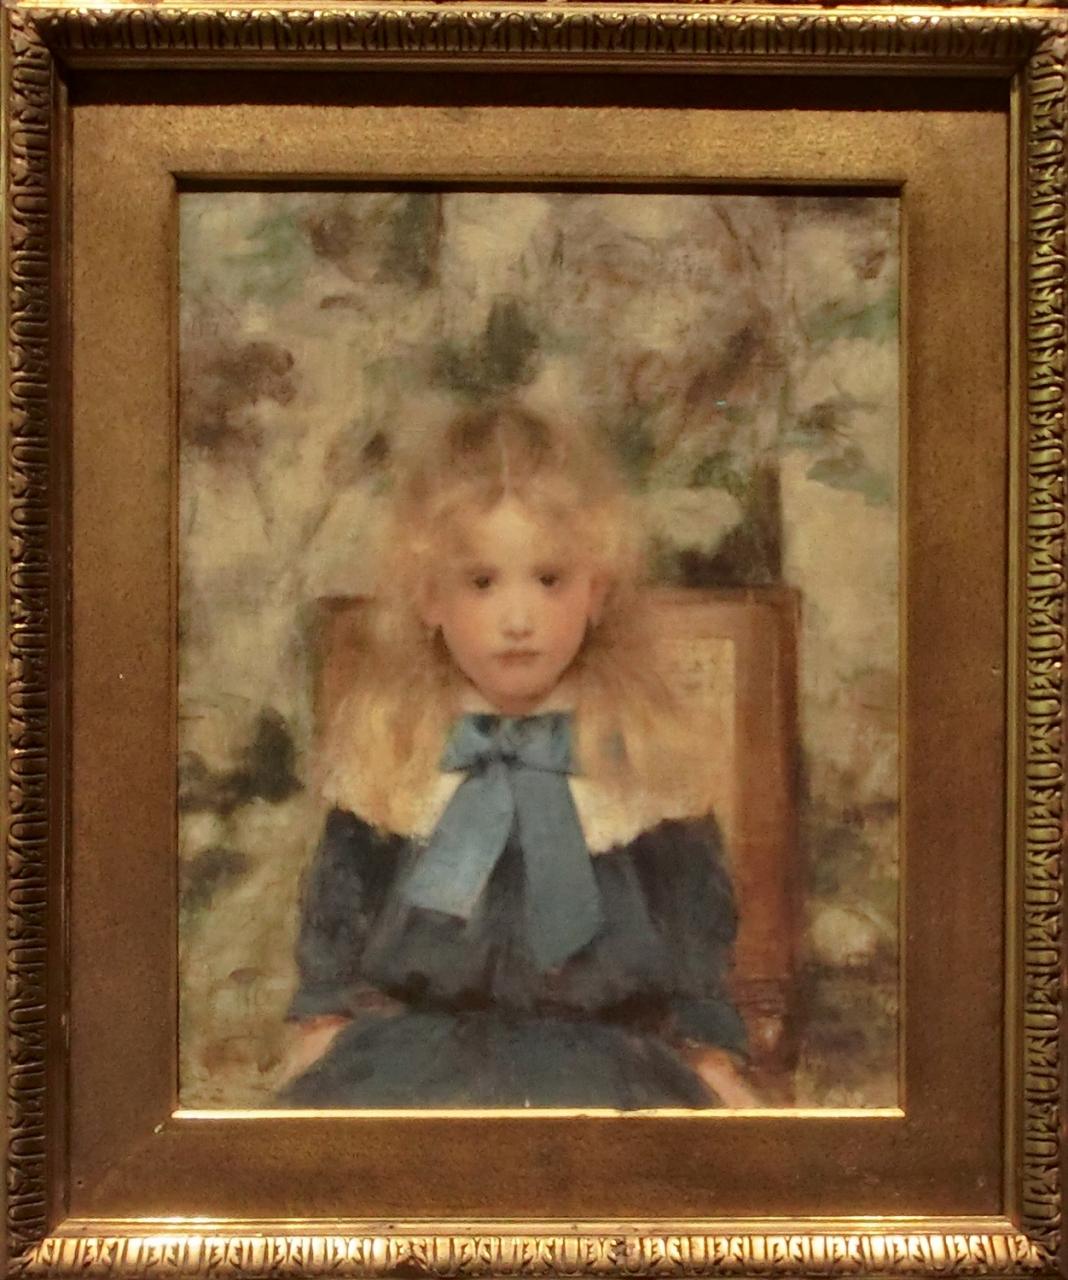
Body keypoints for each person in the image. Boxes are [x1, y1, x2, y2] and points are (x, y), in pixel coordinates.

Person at [277, 402, 757, 1109]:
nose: (518, 619)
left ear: (596, 592)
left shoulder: (638, 751)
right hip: (414, 1059)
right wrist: (323, 1023)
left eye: (549, 580)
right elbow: (339, 907)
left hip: (604, 1059)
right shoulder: (397, 747)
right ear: (430, 598)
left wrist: (709, 1051)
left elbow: (694, 920)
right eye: (482, 583)